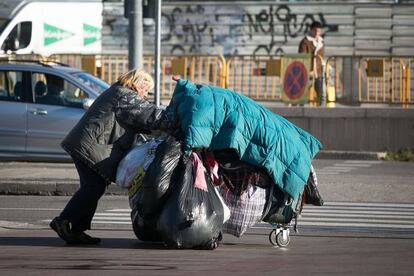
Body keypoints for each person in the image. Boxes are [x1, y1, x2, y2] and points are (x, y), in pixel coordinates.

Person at [50, 69, 172, 245]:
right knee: (93, 187)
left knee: (93, 187)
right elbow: (149, 115)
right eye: (146, 89)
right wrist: (173, 118)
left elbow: (140, 120)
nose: (146, 94)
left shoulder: (119, 92)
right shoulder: (125, 95)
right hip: (89, 146)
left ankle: (76, 230)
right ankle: (63, 221)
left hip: (86, 145)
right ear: (139, 84)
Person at [299, 21, 325, 105]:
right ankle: (300, 108)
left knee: (321, 92)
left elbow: (322, 56)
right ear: (311, 30)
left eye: (319, 31)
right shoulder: (305, 41)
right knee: (303, 93)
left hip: (319, 71)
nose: (317, 33)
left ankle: (322, 109)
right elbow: (302, 56)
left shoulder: (321, 42)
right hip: (307, 71)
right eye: (315, 31)